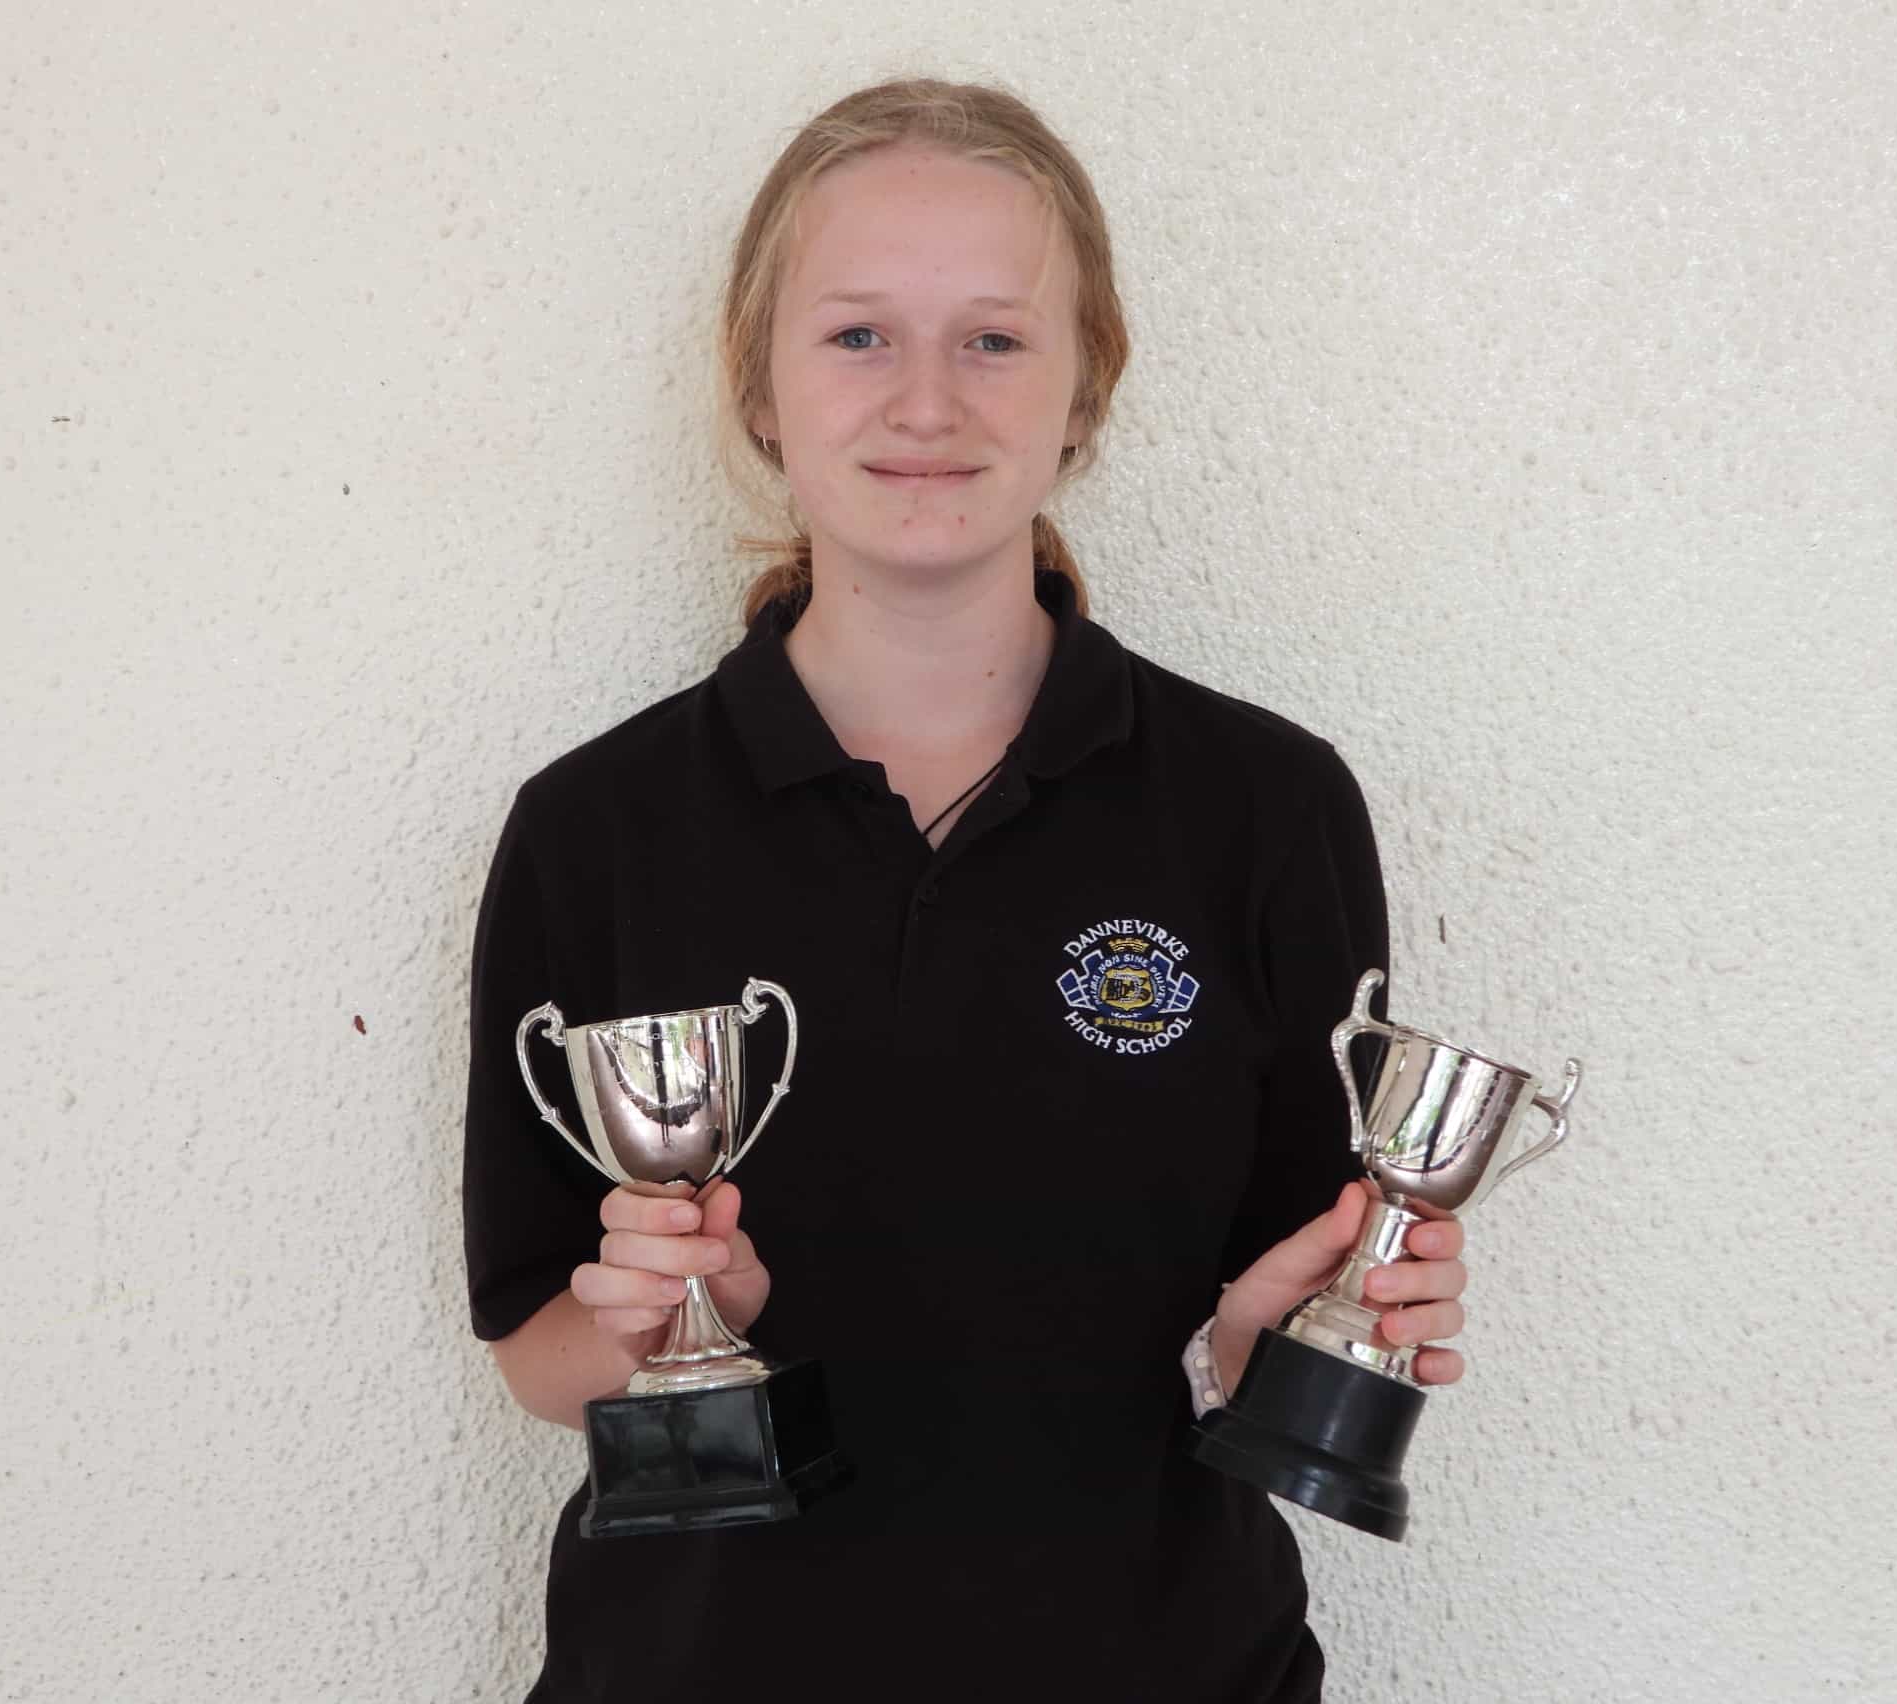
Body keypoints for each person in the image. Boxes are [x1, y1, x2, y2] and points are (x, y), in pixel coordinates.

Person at [462, 76, 1469, 1703]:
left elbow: (1254, 1341)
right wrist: (654, 1325)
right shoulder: (596, 829)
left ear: (1086, 390)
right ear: (761, 387)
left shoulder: (1268, 809)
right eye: (858, 334)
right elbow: (534, 1348)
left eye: (994, 339)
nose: (925, 401)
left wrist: (1305, 1326)